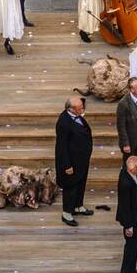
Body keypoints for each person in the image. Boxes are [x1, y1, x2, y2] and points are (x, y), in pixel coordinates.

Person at [55, 96, 93, 227]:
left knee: (81, 182)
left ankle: (78, 206)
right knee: (71, 186)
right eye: (80, 108)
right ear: (71, 109)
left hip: (82, 159)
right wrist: (67, 165)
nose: (82, 110)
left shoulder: (77, 117)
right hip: (71, 161)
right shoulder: (63, 122)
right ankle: (67, 213)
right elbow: (62, 146)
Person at [116, 155, 137, 273]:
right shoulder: (126, 184)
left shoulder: (129, 173)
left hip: (134, 217)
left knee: (135, 245)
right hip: (130, 220)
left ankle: (131, 269)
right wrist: (128, 226)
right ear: (133, 170)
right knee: (131, 247)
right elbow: (125, 206)